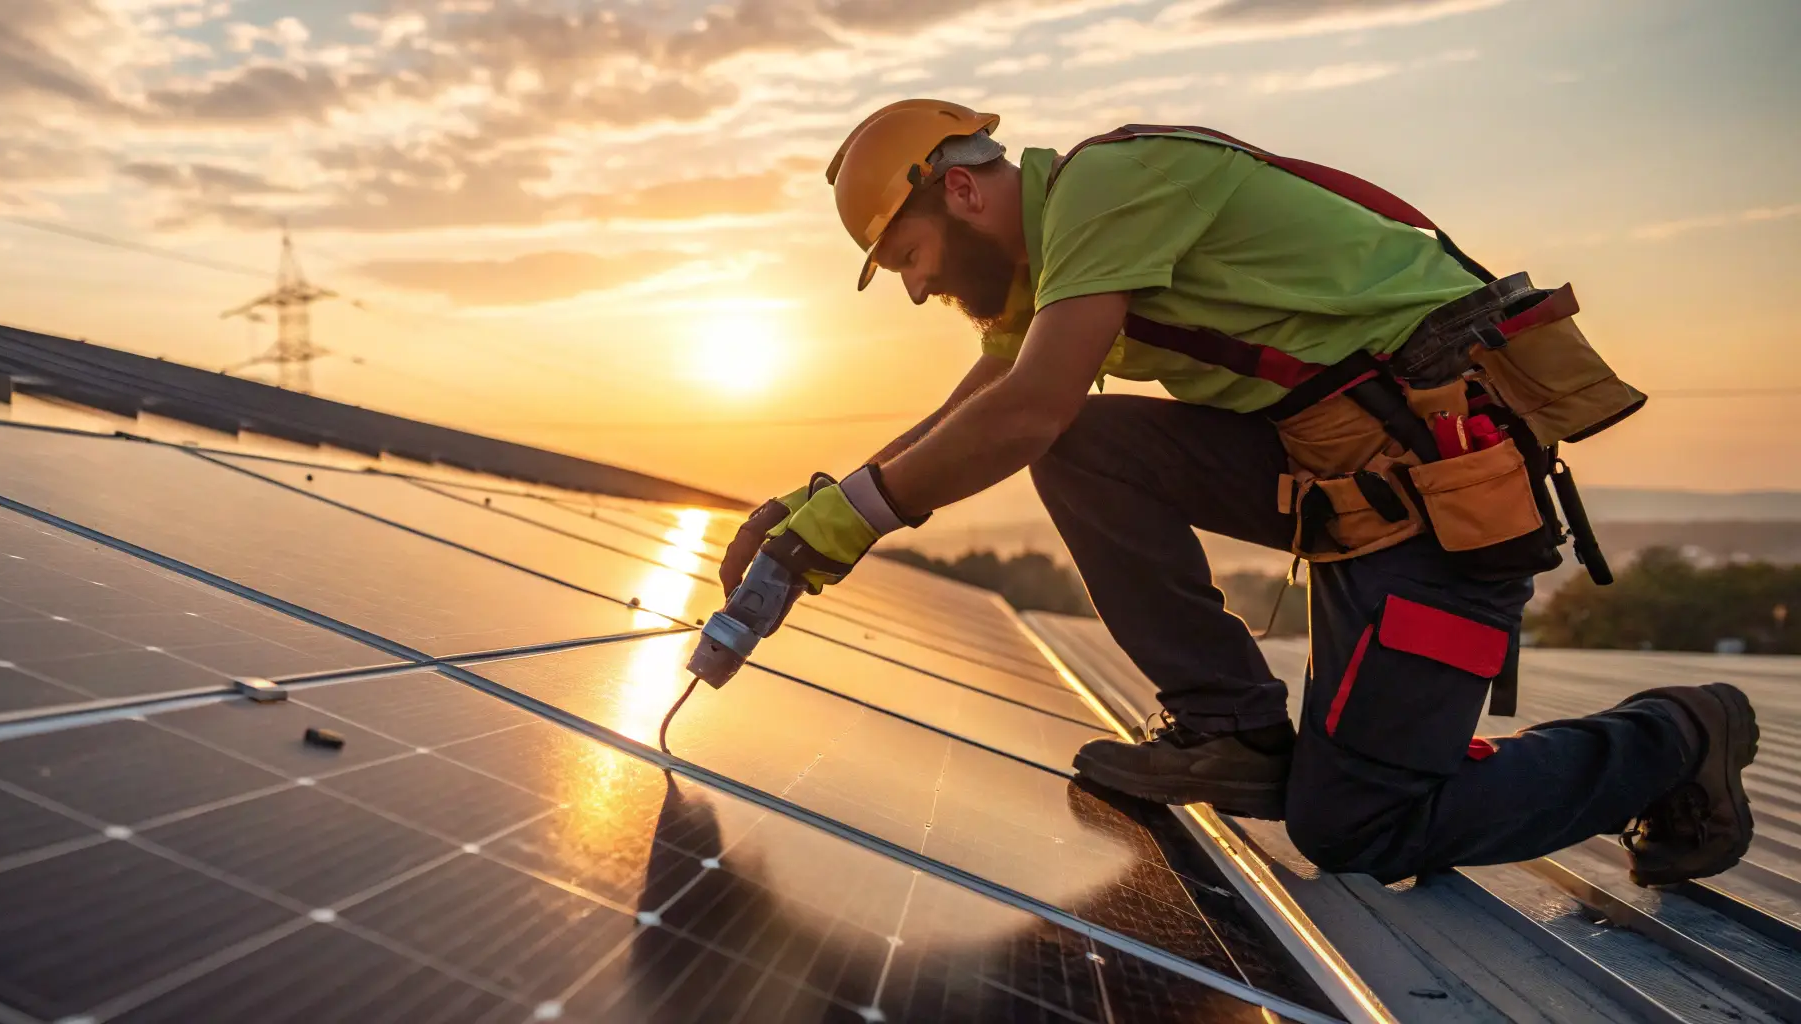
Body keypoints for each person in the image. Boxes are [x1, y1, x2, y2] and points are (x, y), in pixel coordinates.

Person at [717, 99, 1756, 887]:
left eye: (907, 257)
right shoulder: (1057, 268)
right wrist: (814, 507)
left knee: (1356, 826)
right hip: (1337, 487)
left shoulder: (1106, 185)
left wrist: (839, 527)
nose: (913, 287)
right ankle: (1237, 733)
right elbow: (975, 413)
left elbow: (1027, 404)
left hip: (1443, 502)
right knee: (1079, 447)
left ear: (959, 191)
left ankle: (1677, 735)